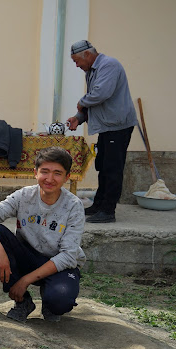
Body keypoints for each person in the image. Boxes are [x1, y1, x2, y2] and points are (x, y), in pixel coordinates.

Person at [0, 147, 86, 322]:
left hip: (58, 263)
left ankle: (49, 298)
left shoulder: (74, 205)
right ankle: (23, 302)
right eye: (44, 171)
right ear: (35, 172)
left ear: (67, 177)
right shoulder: (24, 195)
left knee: (60, 300)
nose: (50, 179)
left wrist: (25, 281)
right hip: (27, 257)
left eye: (57, 173)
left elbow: (68, 256)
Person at [66, 40, 138, 224]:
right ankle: (98, 205)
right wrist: (78, 117)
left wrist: (81, 102)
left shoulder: (109, 65)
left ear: (88, 55)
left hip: (118, 125)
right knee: (103, 166)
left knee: (112, 168)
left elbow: (100, 93)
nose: (77, 65)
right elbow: (95, 103)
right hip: (107, 126)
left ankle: (108, 211)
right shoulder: (91, 71)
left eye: (77, 61)